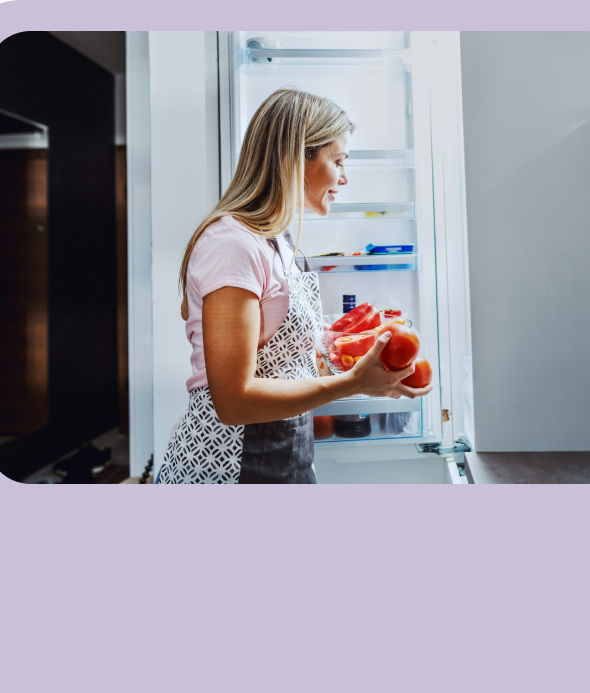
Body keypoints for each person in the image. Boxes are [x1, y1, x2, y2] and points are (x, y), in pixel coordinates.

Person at [155, 88, 432, 484]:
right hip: (227, 466)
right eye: (338, 161)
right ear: (294, 157)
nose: (344, 176)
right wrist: (353, 383)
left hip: (284, 453)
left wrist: (347, 345)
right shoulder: (232, 244)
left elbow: (279, 353)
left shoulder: (278, 242)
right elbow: (233, 402)